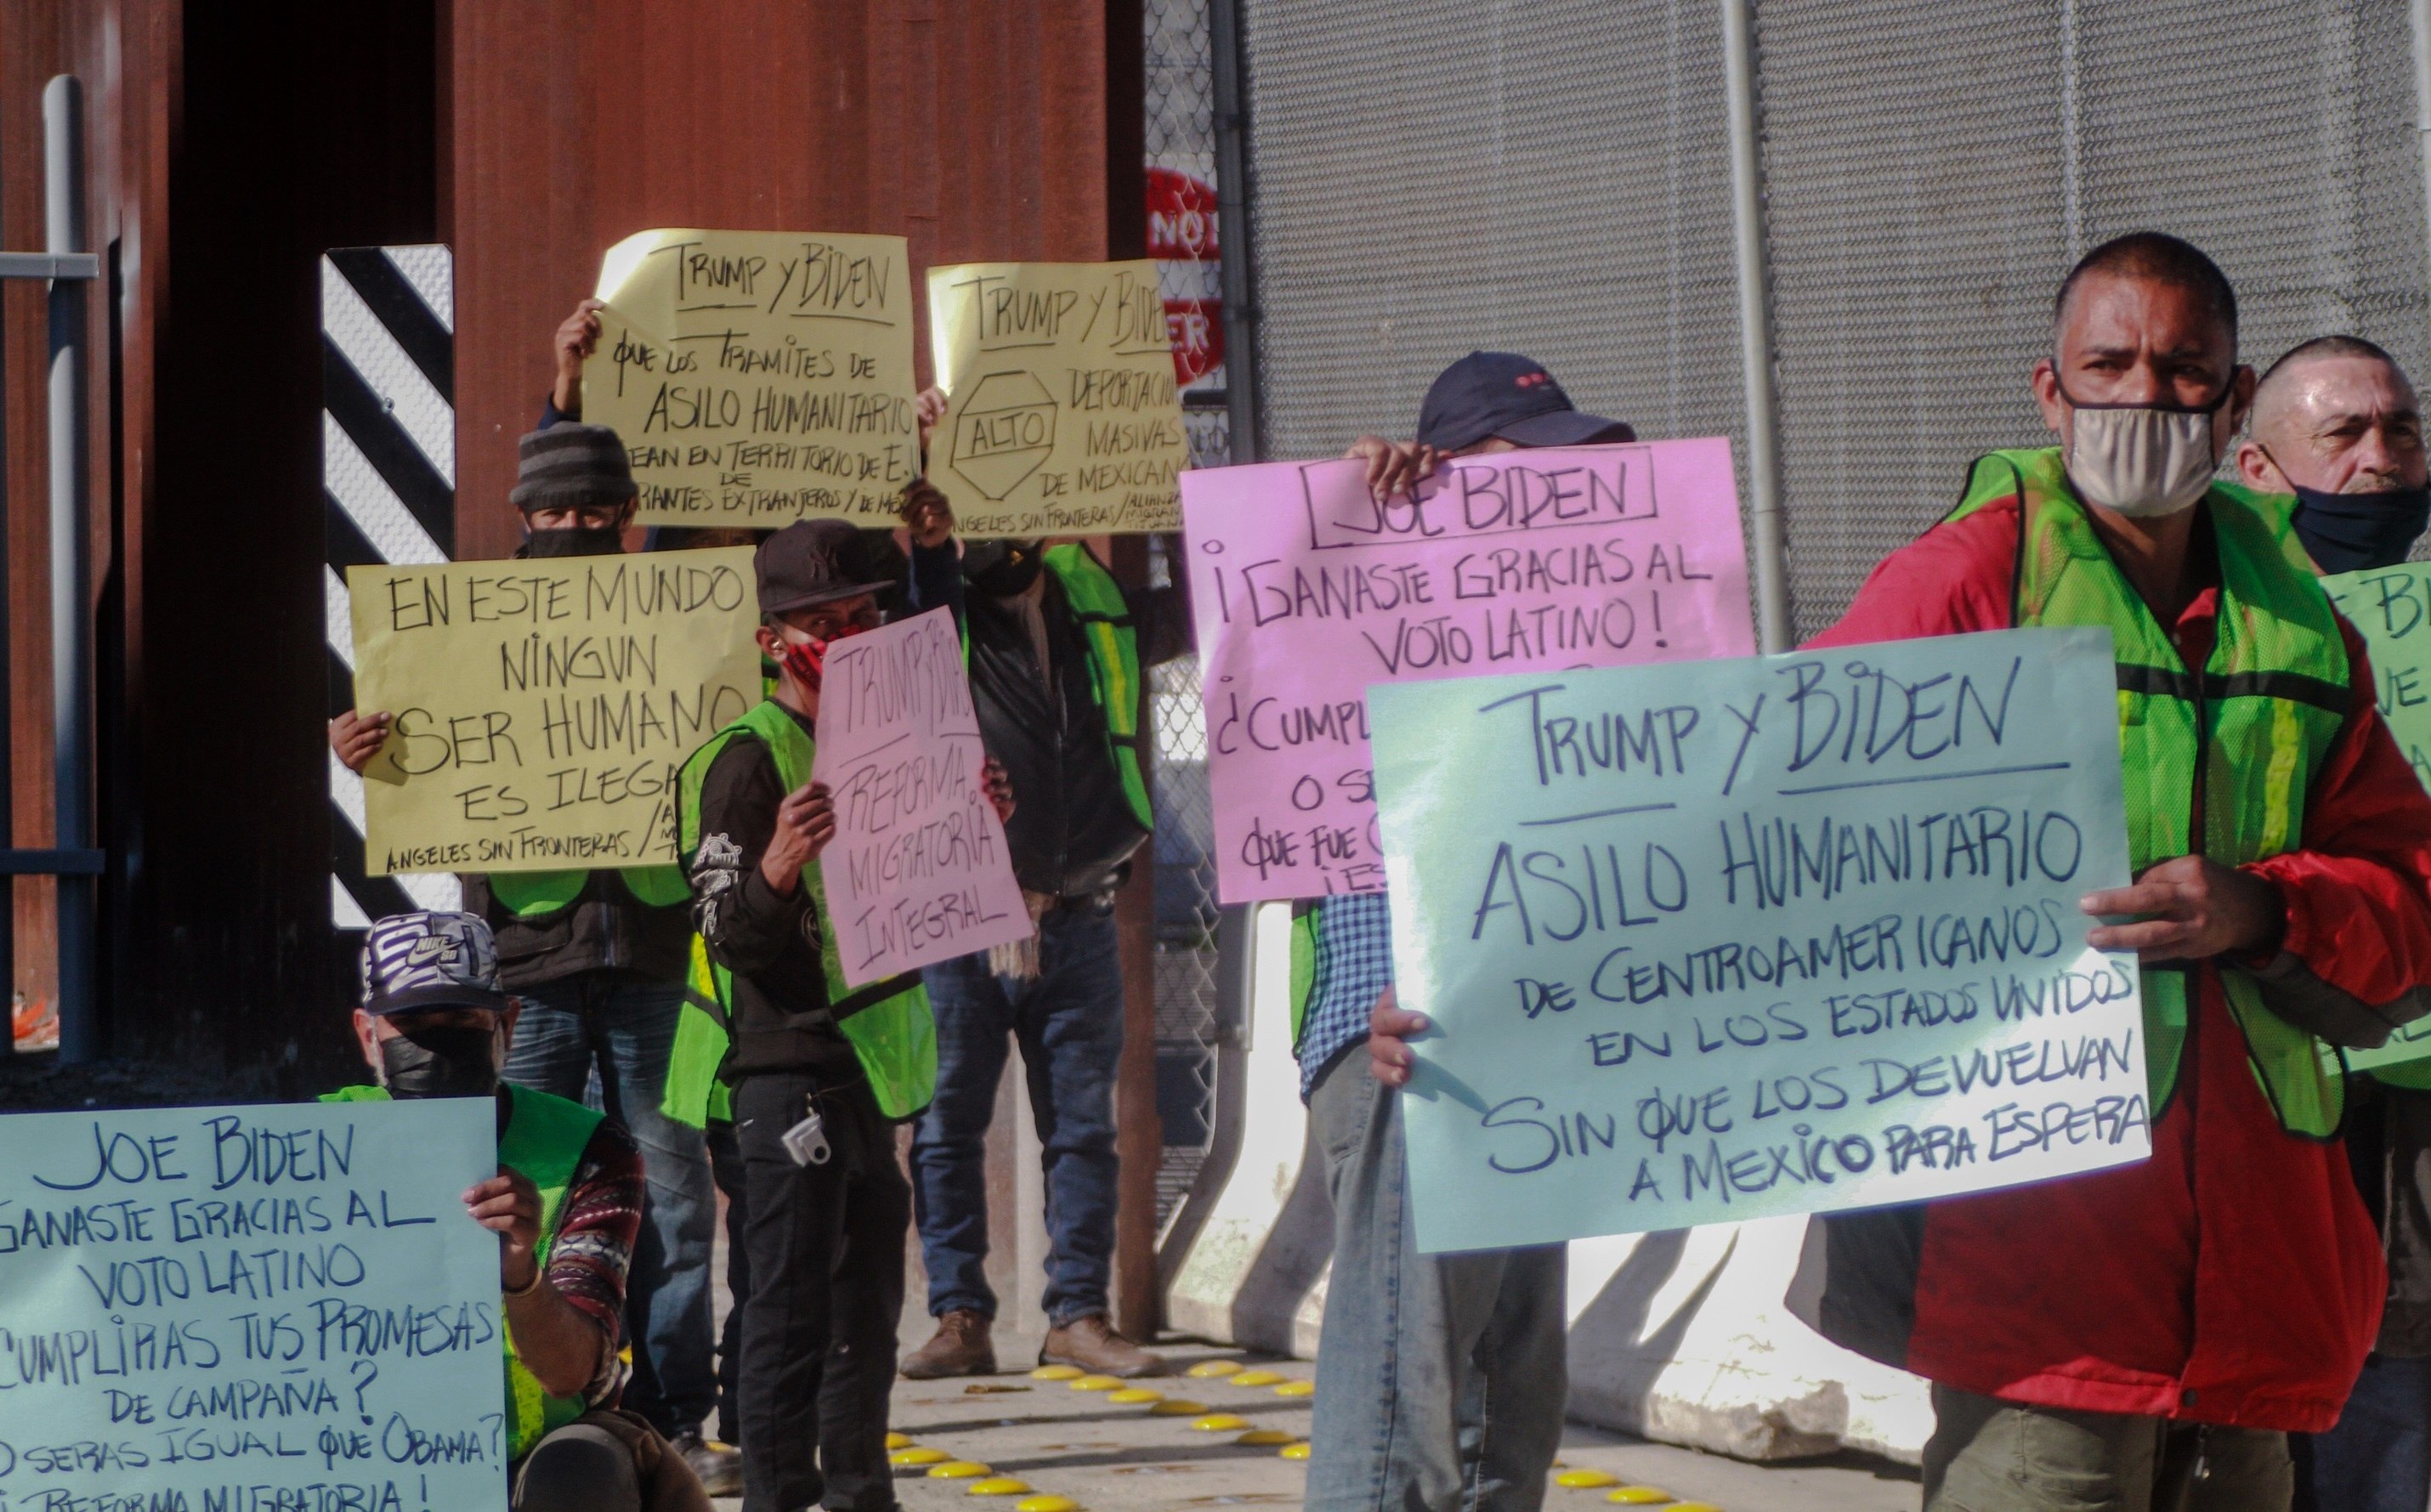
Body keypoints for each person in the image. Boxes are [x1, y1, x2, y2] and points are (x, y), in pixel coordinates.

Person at [1723, 231, 2428, 1510]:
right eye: (2109, 365)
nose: (2144, 398)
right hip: (2037, 1302)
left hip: (2260, 1302)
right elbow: (1733, 837)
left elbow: (2407, 883)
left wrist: (2267, 906)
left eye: (2182, 369)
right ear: (2050, 391)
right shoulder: (1964, 582)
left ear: (2231, 391)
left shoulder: (2301, 613)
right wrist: (1495, 1018)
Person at [330, 423, 733, 1493]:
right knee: (483, 1174)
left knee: (672, 1194)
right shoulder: (465, 642)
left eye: (597, 513)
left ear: (627, 515)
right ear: (522, 522)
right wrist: (368, 759)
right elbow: (427, 781)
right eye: (553, 514)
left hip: (653, 943)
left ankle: (668, 1412)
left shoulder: (678, 623)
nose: (575, 531)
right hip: (523, 959)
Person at [1308, 351, 1635, 1512]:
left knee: (1509, 1415)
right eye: (1525, 469)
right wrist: (1359, 512)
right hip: (1412, 1040)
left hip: (1532, 1045)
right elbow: (1293, 685)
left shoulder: (1581, 633)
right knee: (1406, 1421)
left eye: (1575, 469)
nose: (1557, 493)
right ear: (1441, 478)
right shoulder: (1382, 592)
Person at [678, 519, 1012, 1512]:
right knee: (787, 1307)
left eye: (865, 612)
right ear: (775, 640)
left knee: (868, 1306)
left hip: (870, 1061)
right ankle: (780, 1498)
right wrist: (778, 865)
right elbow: (727, 933)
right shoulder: (746, 761)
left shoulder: (910, 741)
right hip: (779, 1063)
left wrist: (981, 818)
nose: (852, 634)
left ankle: (864, 1496)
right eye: (824, 620)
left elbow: (938, 885)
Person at [892, 489, 1193, 1380]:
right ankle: (959, 1316)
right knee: (947, 1125)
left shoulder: (1094, 608)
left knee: (1082, 1129)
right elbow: (917, 620)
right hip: (962, 920)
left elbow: (1197, 606)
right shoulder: (938, 618)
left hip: (1079, 911)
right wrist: (932, 538)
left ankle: (1078, 1316)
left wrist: (1175, 501)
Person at [2234, 335, 2431, 1512]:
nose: (2378, 457)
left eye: (2399, 430)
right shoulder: (2224, 620)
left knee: (2401, 1381)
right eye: (2342, 435)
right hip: (2283, 1061)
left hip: (2417, 1088)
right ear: (2259, 466)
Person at [325, 910, 710, 1512]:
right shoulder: (318, 1147)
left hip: (535, 1447)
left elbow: (573, 1374)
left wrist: (521, 1275)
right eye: (411, 1023)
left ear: (508, 1022)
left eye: (460, 1018)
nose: (436, 1040)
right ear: (368, 1033)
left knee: (580, 1467)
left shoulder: (588, 1149)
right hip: (362, 1448)